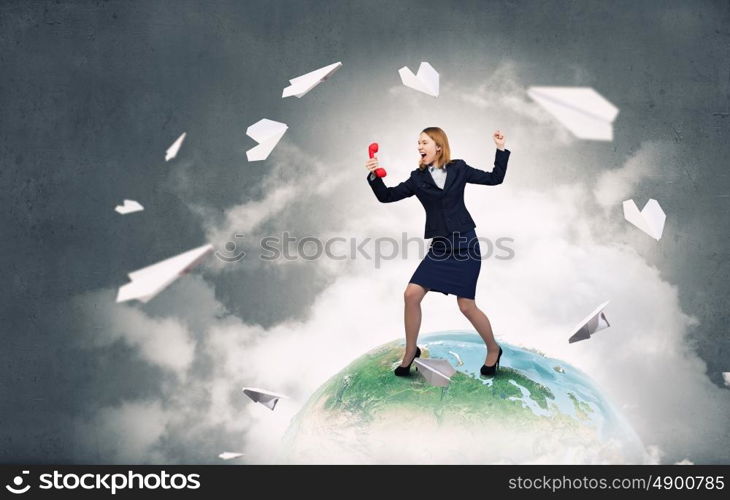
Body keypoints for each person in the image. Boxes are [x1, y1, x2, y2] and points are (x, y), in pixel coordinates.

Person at [364, 127, 510, 377]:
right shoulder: (416, 178)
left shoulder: (459, 168)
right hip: (440, 249)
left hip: (465, 245)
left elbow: (495, 178)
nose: (419, 147)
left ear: (438, 146)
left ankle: (493, 349)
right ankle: (411, 351)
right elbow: (387, 196)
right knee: (411, 295)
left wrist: (499, 148)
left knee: (466, 306)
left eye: (424, 142)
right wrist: (374, 177)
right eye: (418, 143)